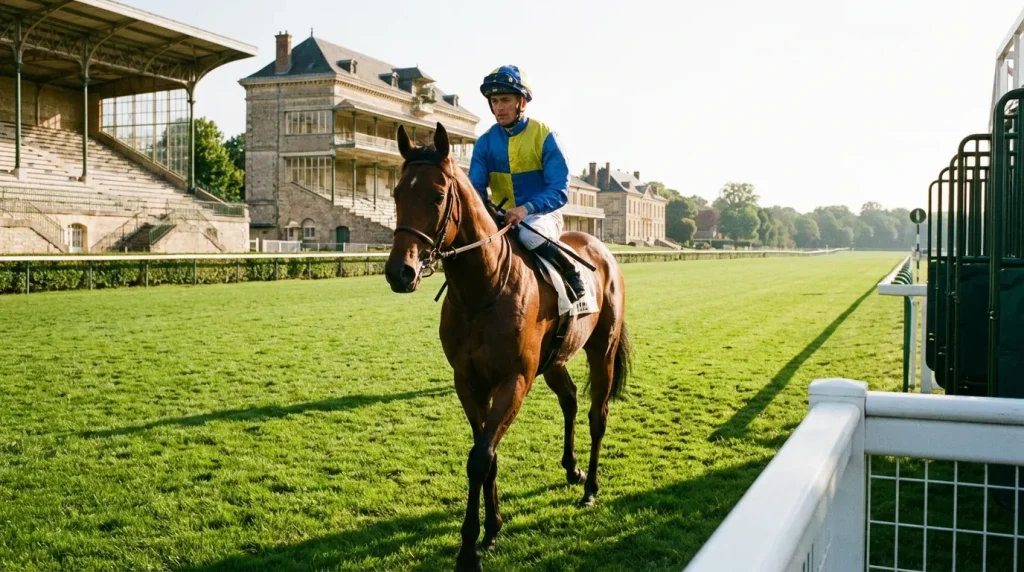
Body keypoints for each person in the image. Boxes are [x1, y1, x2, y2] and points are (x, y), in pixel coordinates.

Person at [468, 65, 587, 301]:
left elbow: (559, 191)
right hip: (501, 216)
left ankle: (570, 271)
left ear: (521, 102)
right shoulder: (485, 142)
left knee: (530, 236)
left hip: (540, 215)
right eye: (494, 101)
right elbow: (475, 190)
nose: (499, 108)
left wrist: (525, 209)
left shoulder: (545, 135)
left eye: (505, 100)